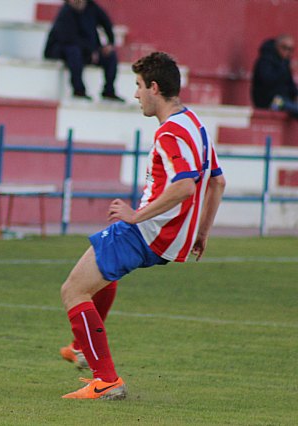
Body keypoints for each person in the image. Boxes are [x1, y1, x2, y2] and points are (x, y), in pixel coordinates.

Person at [59, 52, 226, 400]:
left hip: (148, 232)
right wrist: (202, 232)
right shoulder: (195, 124)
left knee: (72, 291)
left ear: (154, 87)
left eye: (138, 86)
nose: (135, 95)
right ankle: (80, 347)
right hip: (169, 236)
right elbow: (217, 182)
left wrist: (136, 215)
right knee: (101, 273)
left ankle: (105, 379)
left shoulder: (170, 134)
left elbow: (186, 185)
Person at [44, 0, 123, 102]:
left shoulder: (92, 7)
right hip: (62, 50)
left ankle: (109, 91)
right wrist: (91, 50)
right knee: (73, 52)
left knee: (110, 56)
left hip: (87, 50)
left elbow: (106, 23)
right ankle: (79, 90)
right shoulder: (65, 13)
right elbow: (67, 38)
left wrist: (110, 43)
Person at [252, 34, 298, 118]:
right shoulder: (265, 61)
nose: (287, 52)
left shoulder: (285, 63)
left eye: (290, 49)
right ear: (276, 46)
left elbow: (289, 84)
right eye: (284, 48)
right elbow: (268, 81)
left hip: (283, 99)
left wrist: (295, 94)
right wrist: (286, 70)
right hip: (269, 101)